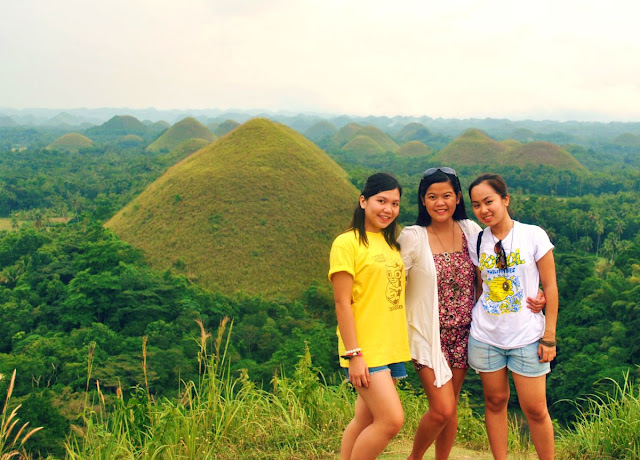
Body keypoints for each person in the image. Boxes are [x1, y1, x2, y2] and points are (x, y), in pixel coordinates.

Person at [398, 167, 546, 460]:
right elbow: (391, 282)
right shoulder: (412, 236)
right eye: (432, 197)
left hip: (465, 333)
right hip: (429, 335)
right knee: (442, 408)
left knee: (450, 406)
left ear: (456, 199)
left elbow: (491, 277)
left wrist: (534, 293)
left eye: (447, 196)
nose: (440, 203)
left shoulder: (470, 231)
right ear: (422, 201)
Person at [467, 173, 558, 460]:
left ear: (505, 200)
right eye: (477, 204)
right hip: (486, 336)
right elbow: (481, 285)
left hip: (527, 338)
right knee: (494, 402)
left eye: (489, 201)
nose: (484, 209)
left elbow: (551, 285)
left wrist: (550, 337)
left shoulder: (533, 234)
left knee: (535, 409)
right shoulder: (478, 239)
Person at [329, 172, 411, 460]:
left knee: (365, 420)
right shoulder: (346, 243)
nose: (388, 209)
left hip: (390, 346)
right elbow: (342, 302)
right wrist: (355, 354)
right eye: (381, 201)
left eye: (395, 203)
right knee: (391, 420)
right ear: (363, 201)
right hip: (365, 349)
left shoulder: (391, 244)